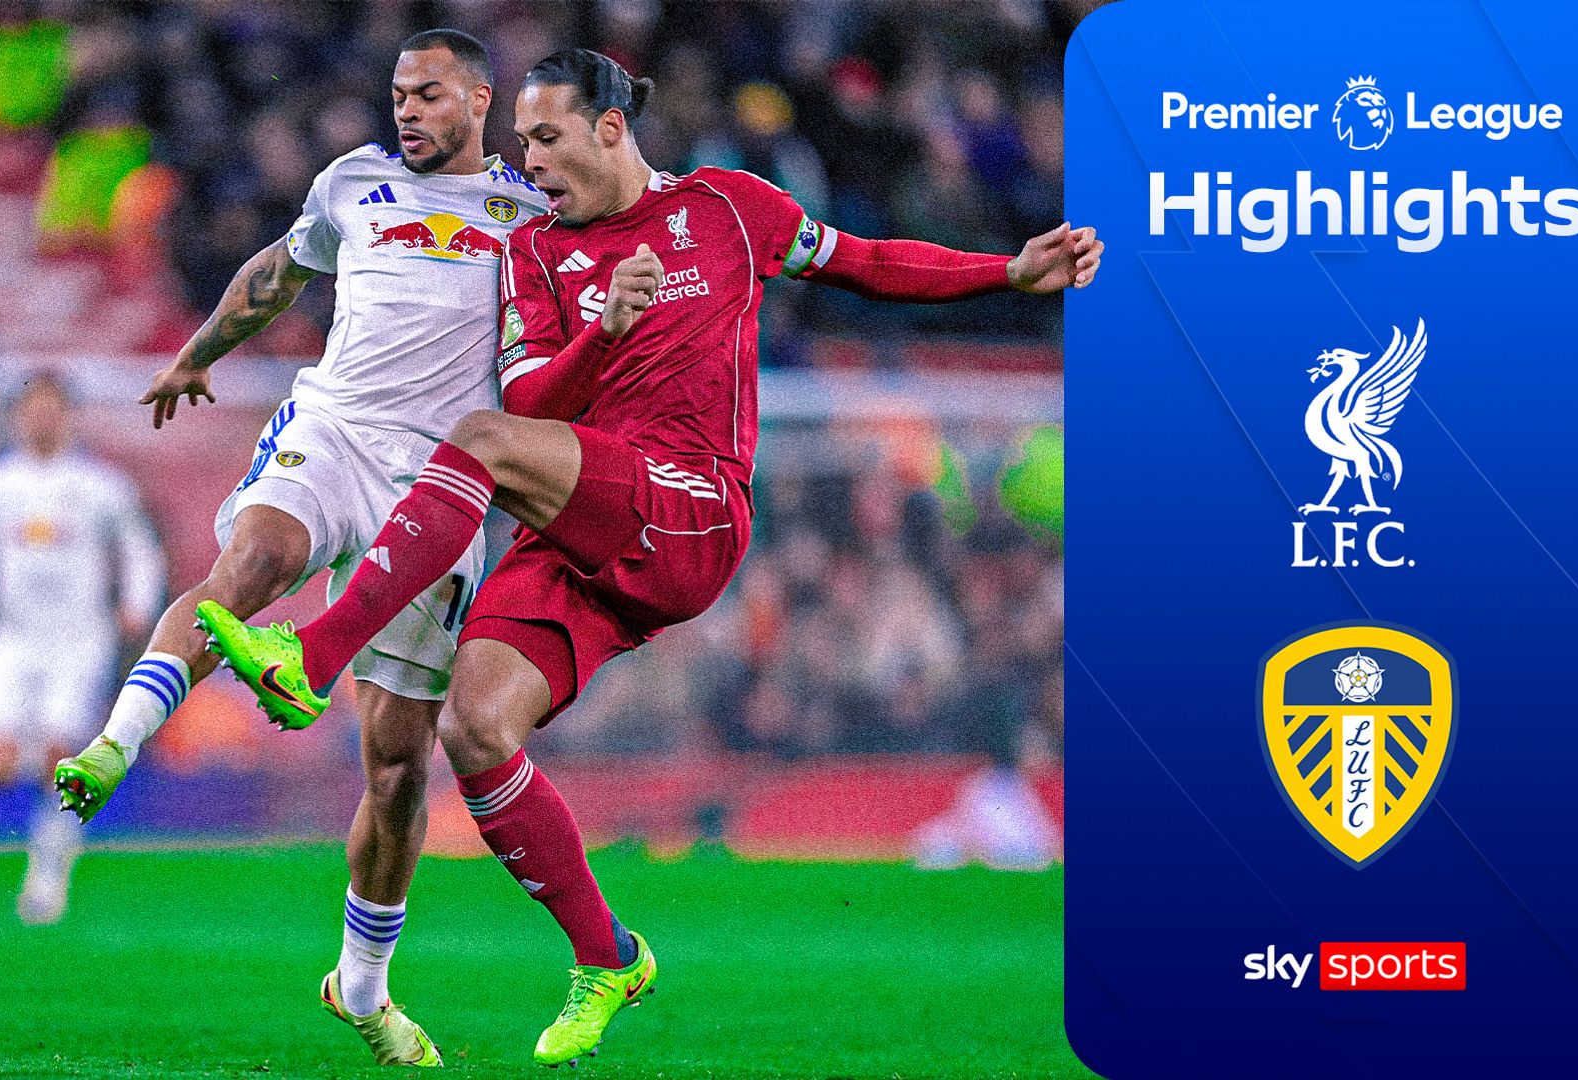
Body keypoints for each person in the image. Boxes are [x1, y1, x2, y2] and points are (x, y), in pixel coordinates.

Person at [198, 47, 1103, 1066]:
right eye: (522, 142)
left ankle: (315, 655)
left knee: (478, 443)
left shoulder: (728, 210)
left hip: (690, 508)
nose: (530, 162)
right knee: (474, 725)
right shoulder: (532, 253)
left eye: (547, 138)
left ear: (611, 128)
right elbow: (533, 400)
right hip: (580, 523)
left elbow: (866, 261)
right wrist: (606, 331)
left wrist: (1008, 272)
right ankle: (609, 958)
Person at [51, 28, 544, 1067]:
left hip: (441, 481)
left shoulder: (530, 209)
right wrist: (198, 354)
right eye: (398, 93)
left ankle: (361, 987)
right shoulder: (352, 182)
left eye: (429, 94)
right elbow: (276, 274)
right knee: (253, 564)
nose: (407, 110)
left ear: (481, 101)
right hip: (333, 430)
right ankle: (115, 745)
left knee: (398, 763)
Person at [0, 374, 163, 925]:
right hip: (11, 637)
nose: (41, 419)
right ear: (19, 416)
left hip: (79, 639)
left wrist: (136, 601)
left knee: (59, 756)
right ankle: (52, 830)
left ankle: (49, 865)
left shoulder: (101, 486)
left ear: (68, 416)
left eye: (51, 409)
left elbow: (140, 549)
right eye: (32, 409)